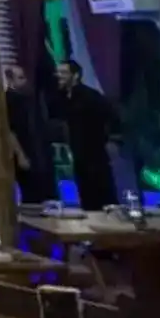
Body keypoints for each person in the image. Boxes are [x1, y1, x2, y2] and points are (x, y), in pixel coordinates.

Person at [54, 59, 118, 210]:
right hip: (78, 154)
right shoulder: (62, 97)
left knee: (102, 193)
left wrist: (108, 138)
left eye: (63, 72)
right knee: (86, 194)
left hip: (94, 153)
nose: (59, 76)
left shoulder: (90, 96)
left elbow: (111, 116)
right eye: (58, 72)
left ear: (75, 75)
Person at [3, 61, 56, 204]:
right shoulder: (8, 101)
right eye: (20, 78)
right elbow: (10, 130)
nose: (25, 81)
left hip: (35, 152)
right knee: (31, 193)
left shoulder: (26, 99)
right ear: (10, 79)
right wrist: (21, 155)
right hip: (23, 152)